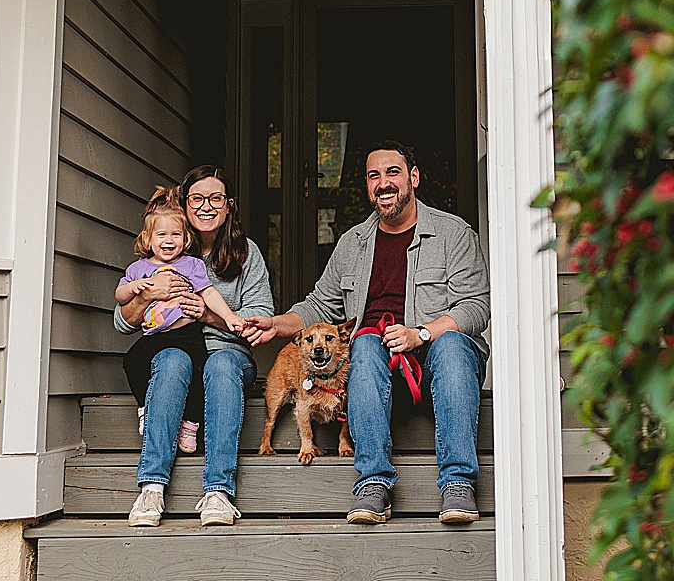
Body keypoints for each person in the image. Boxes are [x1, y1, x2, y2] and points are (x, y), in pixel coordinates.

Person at [242, 141, 489, 526]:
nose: (383, 183)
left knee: (454, 345)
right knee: (365, 344)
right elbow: (319, 306)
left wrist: (421, 334)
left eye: (393, 172)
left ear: (414, 178)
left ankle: (457, 483)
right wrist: (277, 323)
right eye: (374, 175)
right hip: (375, 369)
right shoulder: (353, 243)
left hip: (437, 361)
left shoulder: (453, 234)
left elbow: (476, 307)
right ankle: (373, 482)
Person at [115, 166, 275, 528]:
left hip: (226, 353)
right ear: (184, 204)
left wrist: (208, 315)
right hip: (174, 351)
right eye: (197, 198)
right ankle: (151, 487)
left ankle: (218, 491)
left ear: (229, 205)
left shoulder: (245, 253)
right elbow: (123, 322)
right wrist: (148, 295)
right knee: (172, 361)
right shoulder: (164, 250)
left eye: (216, 198)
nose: (206, 206)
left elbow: (261, 316)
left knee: (219, 365)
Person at [117, 187, 245, 468]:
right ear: (148, 239)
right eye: (161, 235)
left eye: (175, 234)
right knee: (132, 361)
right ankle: (146, 409)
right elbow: (120, 295)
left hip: (187, 332)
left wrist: (229, 316)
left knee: (199, 373)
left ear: (186, 238)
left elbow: (209, 293)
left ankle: (191, 424)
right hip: (156, 334)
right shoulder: (138, 269)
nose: (168, 240)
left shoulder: (191, 265)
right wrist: (136, 289)